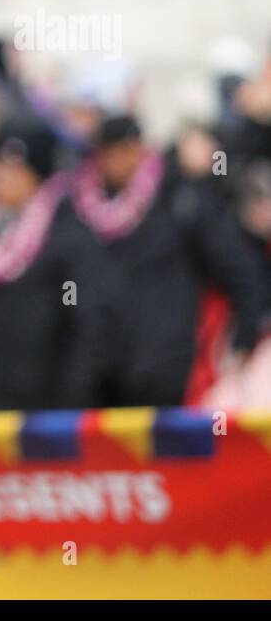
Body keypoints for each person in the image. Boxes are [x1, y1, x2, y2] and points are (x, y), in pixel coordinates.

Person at [73, 114, 264, 406]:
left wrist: (241, 343)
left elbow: (239, 270)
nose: (111, 163)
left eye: (118, 152)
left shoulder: (182, 198)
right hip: (102, 377)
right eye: (104, 154)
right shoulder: (83, 210)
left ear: (137, 149)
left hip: (170, 374)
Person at [0, 119, 117, 411]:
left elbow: (90, 325)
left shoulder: (68, 234)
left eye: (13, 168)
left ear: (37, 174)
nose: (0, 177)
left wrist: (71, 401)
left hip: (46, 408)